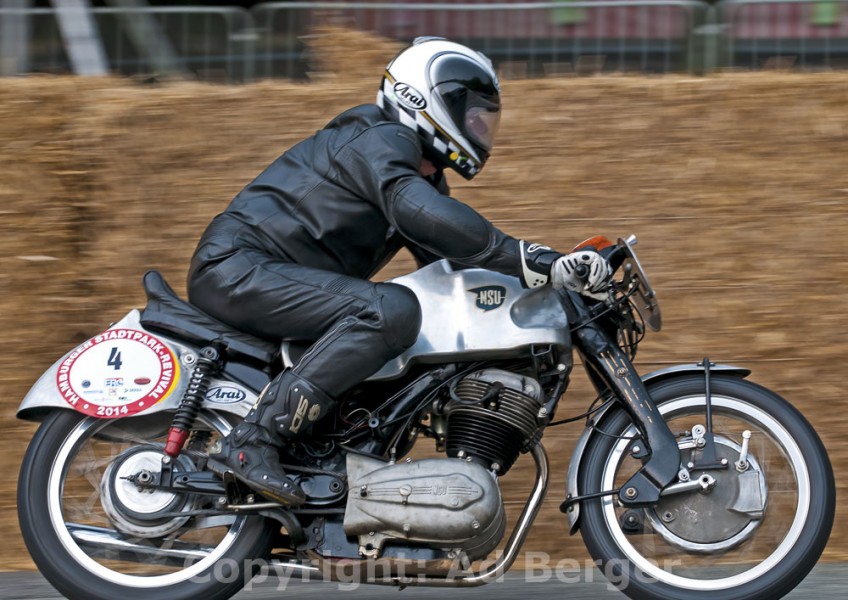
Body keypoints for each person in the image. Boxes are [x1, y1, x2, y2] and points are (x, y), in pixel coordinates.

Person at [188, 37, 611, 506]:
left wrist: (548, 288)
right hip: (238, 266)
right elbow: (422, 214)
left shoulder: (420, 176)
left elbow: (453, 264)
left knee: (418, 335)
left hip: (271, 278)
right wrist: (530, 258)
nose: (479, 129)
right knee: (390, 310)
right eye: (471, 115)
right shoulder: (380, 137)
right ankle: (253, 441)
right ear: (424, 98)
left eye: (483, 121)